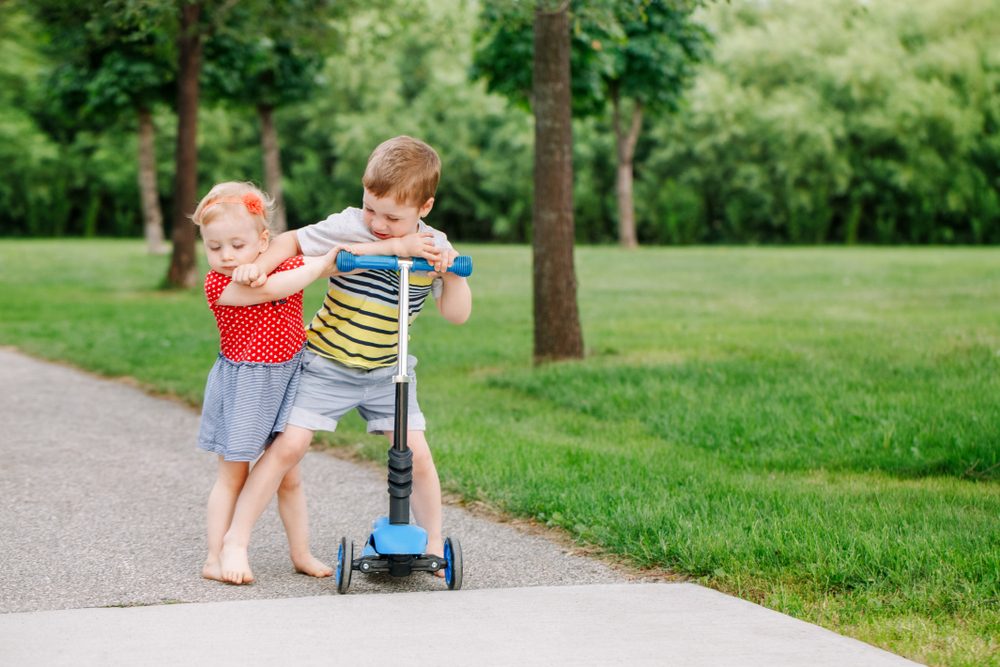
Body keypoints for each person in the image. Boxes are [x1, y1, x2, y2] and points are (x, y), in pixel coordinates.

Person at [218, 136, 472, 584]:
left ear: (424, 208)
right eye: (370, 207)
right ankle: (235, 542)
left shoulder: (435, 246)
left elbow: (456, 315)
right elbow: (294, 241)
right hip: (327, 363)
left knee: (418, 455)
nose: (377, 222)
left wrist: (452, 275)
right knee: (288, 448)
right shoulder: (349, 225)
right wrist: (261, 263)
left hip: (389, 373)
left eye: (392, 217)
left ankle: (433, 546)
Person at [193, 181, 339, 584]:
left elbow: (299, 261)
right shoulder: (219, 285)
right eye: (214, 246)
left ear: (263, 240)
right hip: (245, 385)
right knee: (233, 475)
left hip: (289, 378)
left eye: (237, 245)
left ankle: (301, 553)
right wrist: (317, 267)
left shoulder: (285, 263)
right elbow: (278, 288)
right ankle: (214, 556)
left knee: (288, 474)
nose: (224, 255)